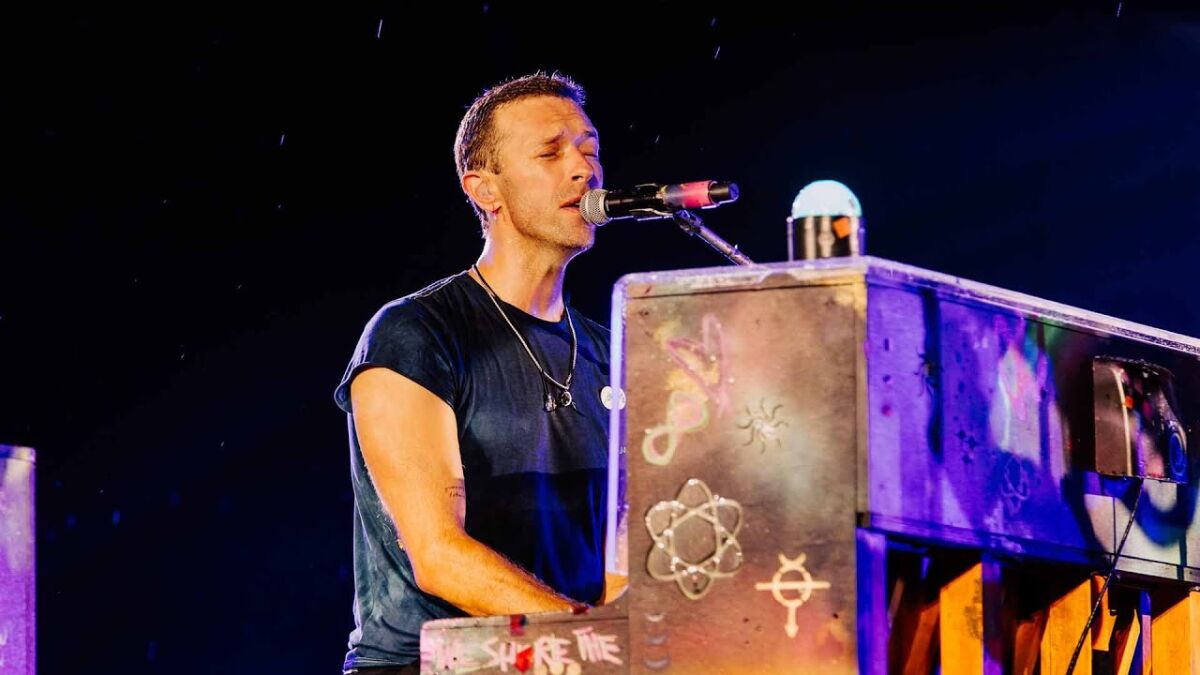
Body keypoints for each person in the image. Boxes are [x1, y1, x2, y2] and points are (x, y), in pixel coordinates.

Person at [333, 71, 613, 674]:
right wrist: (602, 647)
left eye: (590, 151)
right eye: (551, 153)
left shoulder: (612, 353)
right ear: (485, 190)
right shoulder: (415, 333)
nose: (582, 170)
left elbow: (622, 562)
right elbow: (440, 556)